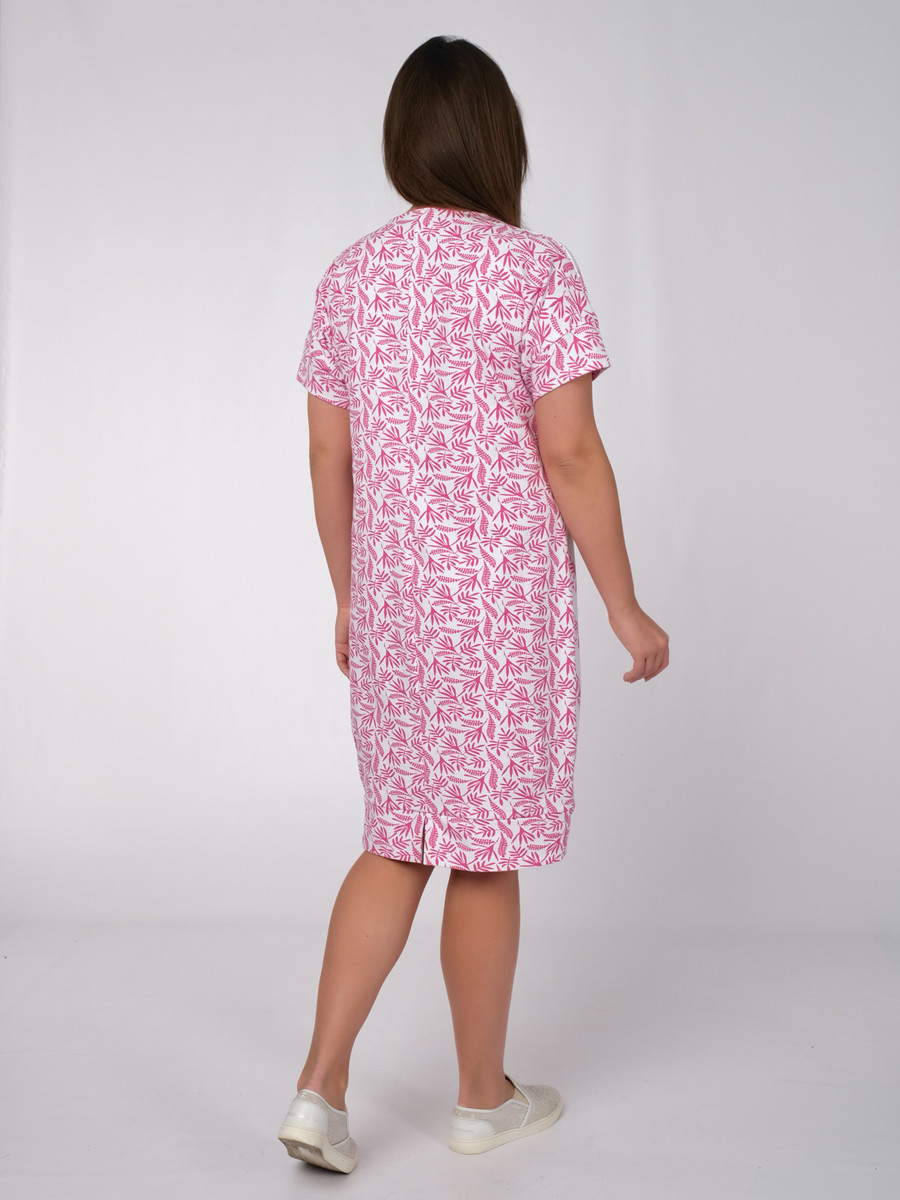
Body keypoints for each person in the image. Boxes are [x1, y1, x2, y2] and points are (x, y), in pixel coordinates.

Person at [277, 34, 669, 1174]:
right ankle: (481, 1099)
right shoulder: (534, 270)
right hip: (499, 617)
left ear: (402, 142)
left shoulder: (352, 276)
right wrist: (625, 605)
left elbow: (328, 457)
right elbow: (572, 453)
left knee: (396, 836)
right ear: (500, 142)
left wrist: (350, 597)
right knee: (483, 851)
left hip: (397, 610)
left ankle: (319, 1088)